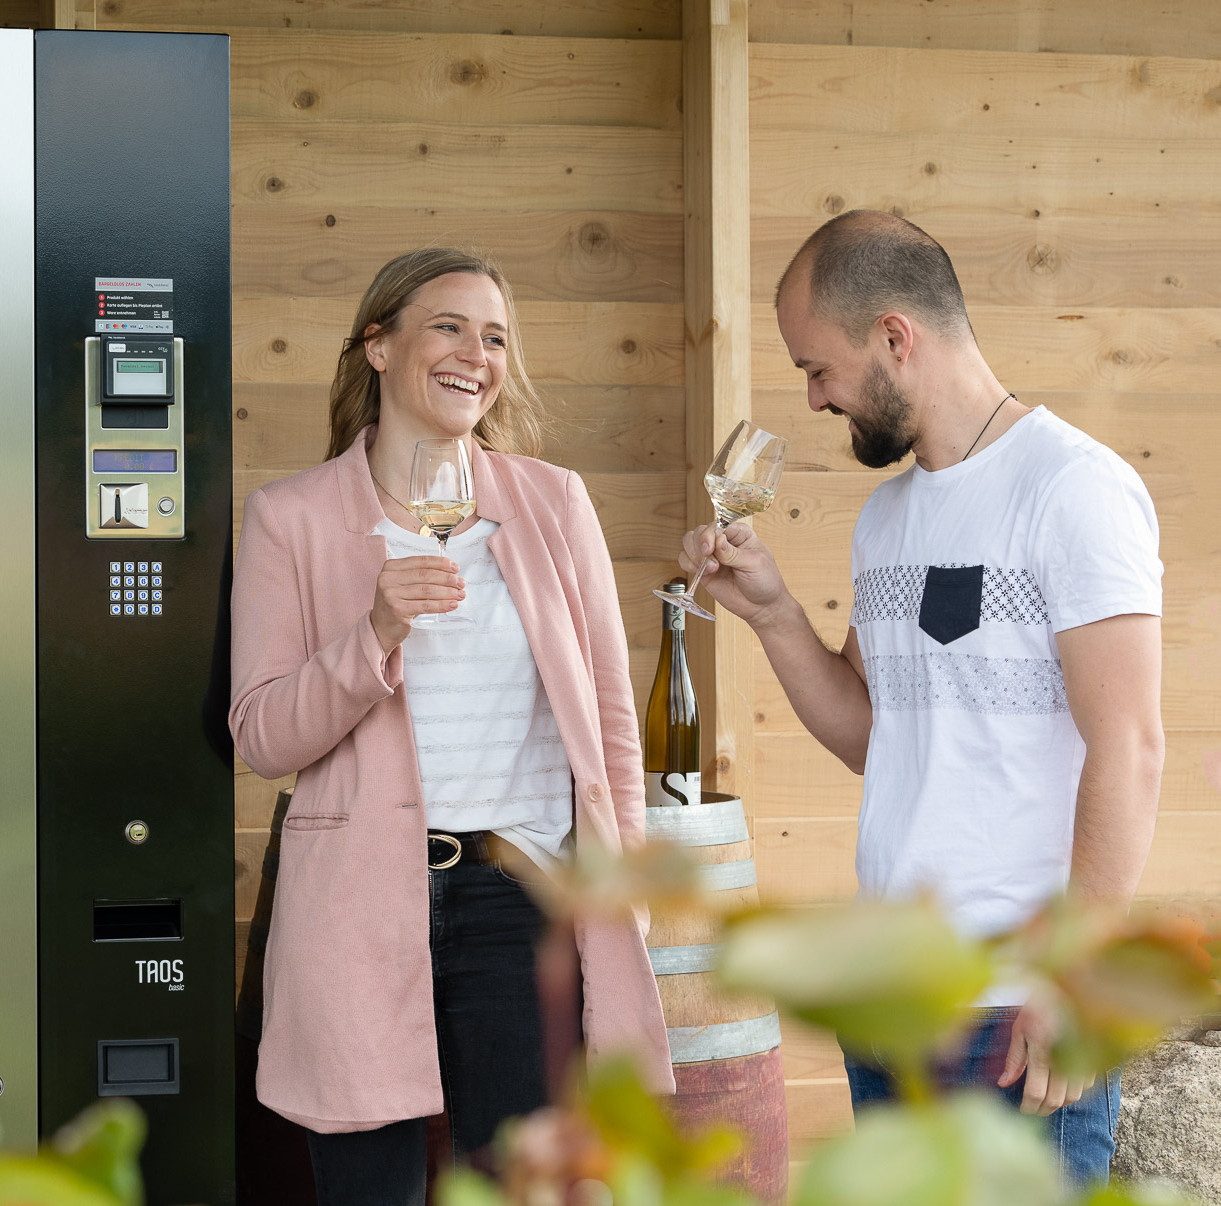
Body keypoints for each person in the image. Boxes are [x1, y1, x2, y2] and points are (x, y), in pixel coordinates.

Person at [677, 210, 1163, 1184]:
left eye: (818, 369)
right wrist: (772, 613)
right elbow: (875, 735)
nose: (812, 399)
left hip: (1014, 1017)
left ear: (895, 336)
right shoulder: (886, 518)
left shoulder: (1072, 491)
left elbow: (1132, 749)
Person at [230, 247, 673, 1205]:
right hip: (355, 902)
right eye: (449, 326)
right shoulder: (289, 520)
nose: (478, 352)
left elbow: (608, 722)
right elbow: (262, 736)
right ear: (377, 346)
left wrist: (623, 889)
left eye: (497, 336)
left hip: (519, 897)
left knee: (529, 1188)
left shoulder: (553, 505)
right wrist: (374, 633)